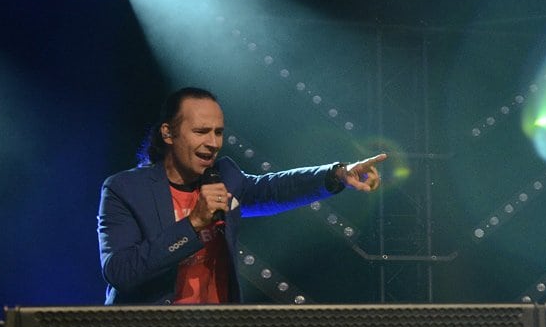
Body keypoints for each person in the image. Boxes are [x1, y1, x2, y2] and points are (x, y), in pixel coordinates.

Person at [97, 86, 386, 305]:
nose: (213, 143)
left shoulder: (225, 177)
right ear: (168, 133)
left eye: (218, 132)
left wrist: (337, 174)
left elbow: (275, 189)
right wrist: (193, 223)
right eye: (201, 131)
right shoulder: (125, 189)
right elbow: (121, 273)